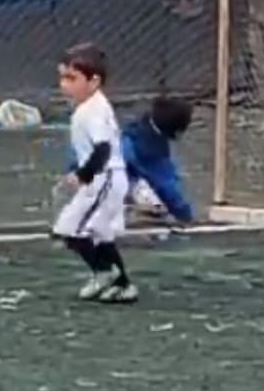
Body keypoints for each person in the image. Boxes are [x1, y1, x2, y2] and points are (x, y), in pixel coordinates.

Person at [53, 43, 136, 303]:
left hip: (105, 177)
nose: (64, 84)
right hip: (107, 177)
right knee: (100, 232)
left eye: (72, 78)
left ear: (94, 81)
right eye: (62, 77)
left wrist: (84, 174)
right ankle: (123, 284)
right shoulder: (91, 107)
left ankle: (104, 272)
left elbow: (103, 147)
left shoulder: (94, 111)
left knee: (69, 229)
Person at [121, 96, 194, 225]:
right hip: (124, 187)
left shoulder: (139, 128)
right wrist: (186, 216)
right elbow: (166, 186)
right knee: (155, 198)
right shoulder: (151, 148)